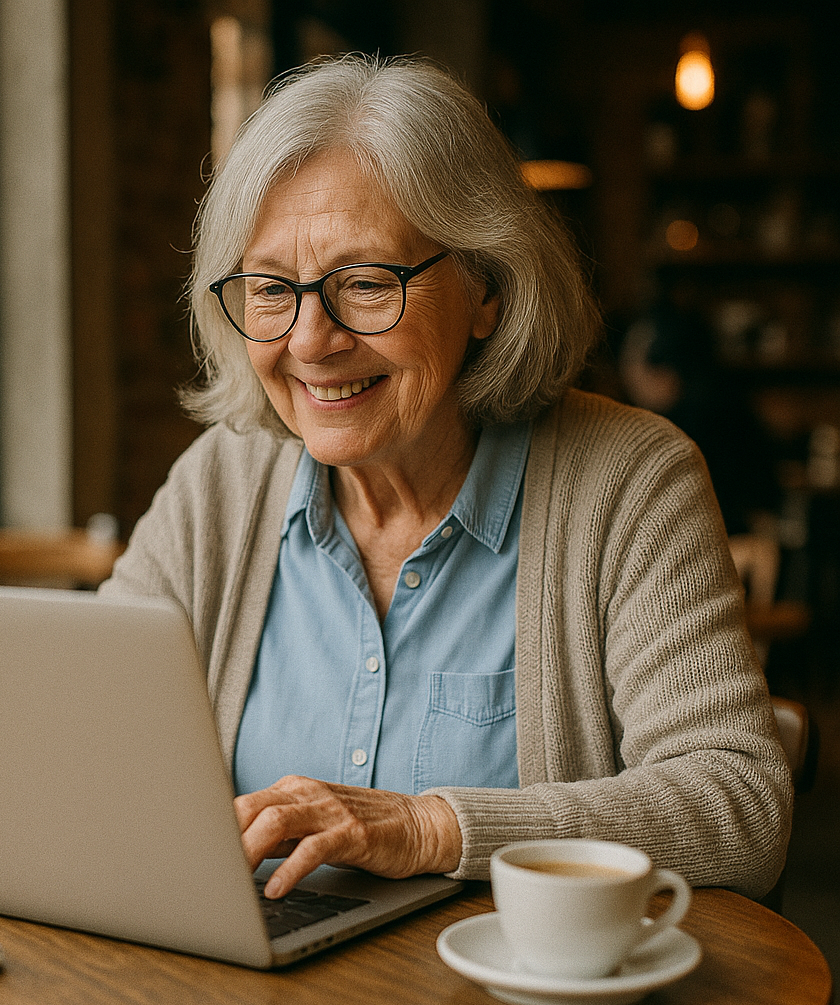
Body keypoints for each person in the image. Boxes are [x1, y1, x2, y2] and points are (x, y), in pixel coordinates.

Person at [100, 54, 791, 902]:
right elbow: (91, 732)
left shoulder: (631, 484)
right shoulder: (222, 484)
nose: (312, 342)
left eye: (364, 284)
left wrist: (429, 827)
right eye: (272, 289)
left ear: (486, 289)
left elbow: (740, 806)